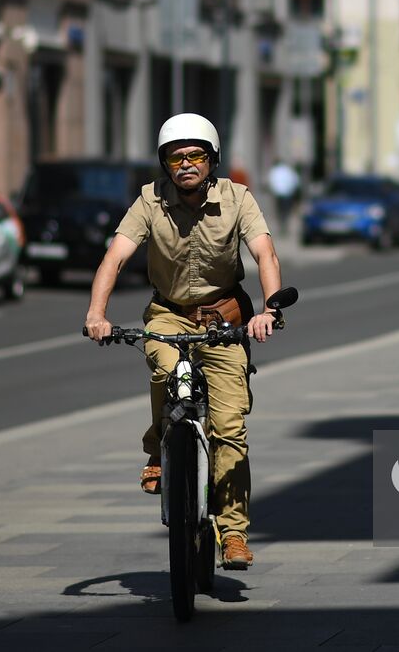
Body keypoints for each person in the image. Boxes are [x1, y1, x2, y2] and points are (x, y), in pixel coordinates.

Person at [84, 113, 282, 570]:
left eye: (195, 155)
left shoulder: (238, 198)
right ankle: (159, 447)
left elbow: (264, 252)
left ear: (211, 160)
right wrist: (97, 314)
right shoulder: (149, 200)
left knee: (230, 427)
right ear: (165, 164)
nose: (186, 164)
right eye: (176, 157)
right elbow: (114, 258)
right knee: (165, 367)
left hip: (223, 317)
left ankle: (233, 532)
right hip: (169, 313)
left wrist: (270, 310)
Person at [266, 159, 301, 236]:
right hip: (288, 194)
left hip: (278, 194)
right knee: (286, 211)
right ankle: (285, 225)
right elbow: (295, 181)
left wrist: (274, 190)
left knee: (280, 211)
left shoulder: (275, 171)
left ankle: (282, 225)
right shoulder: (288, 170)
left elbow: (271, 182)